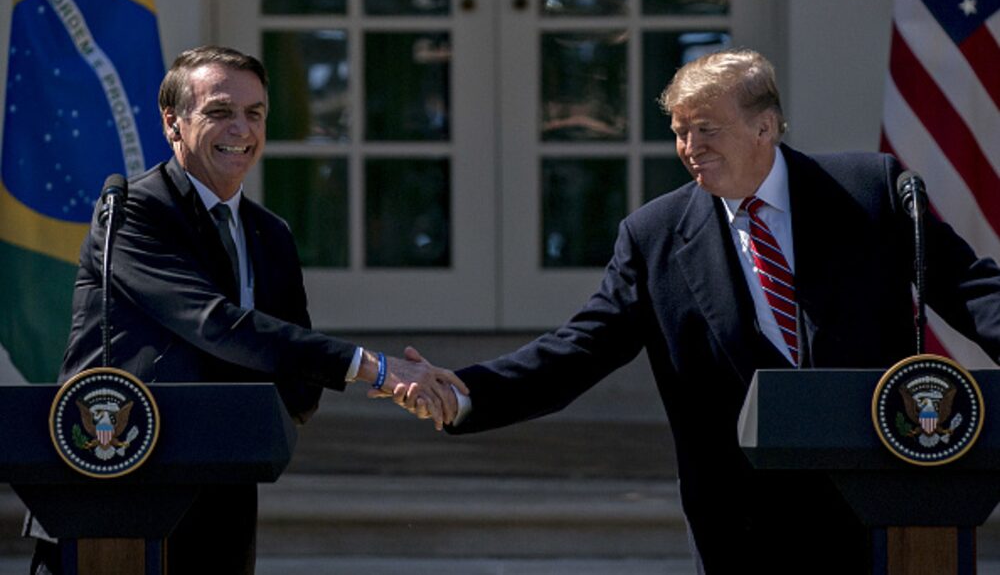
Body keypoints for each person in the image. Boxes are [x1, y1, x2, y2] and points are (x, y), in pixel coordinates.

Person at [396, 49, 1000, 573]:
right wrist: (468, 391)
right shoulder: (654, 237)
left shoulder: (868, 192)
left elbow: (972, 289)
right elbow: (578, 351)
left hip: (881, 499)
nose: (689, 148)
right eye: (680, 131)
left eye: (706, 129)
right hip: (745, 522)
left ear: (765, 127)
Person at [29, 45, 466, 574]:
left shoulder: (270, 233)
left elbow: (295, 368)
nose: (241, 129)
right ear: (173, 123)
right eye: (219, 112)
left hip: (226, 488)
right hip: (121, 484)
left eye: (254, 114)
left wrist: (265, 414)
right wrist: (375, 368)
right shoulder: (134, 212)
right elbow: (214, 324)